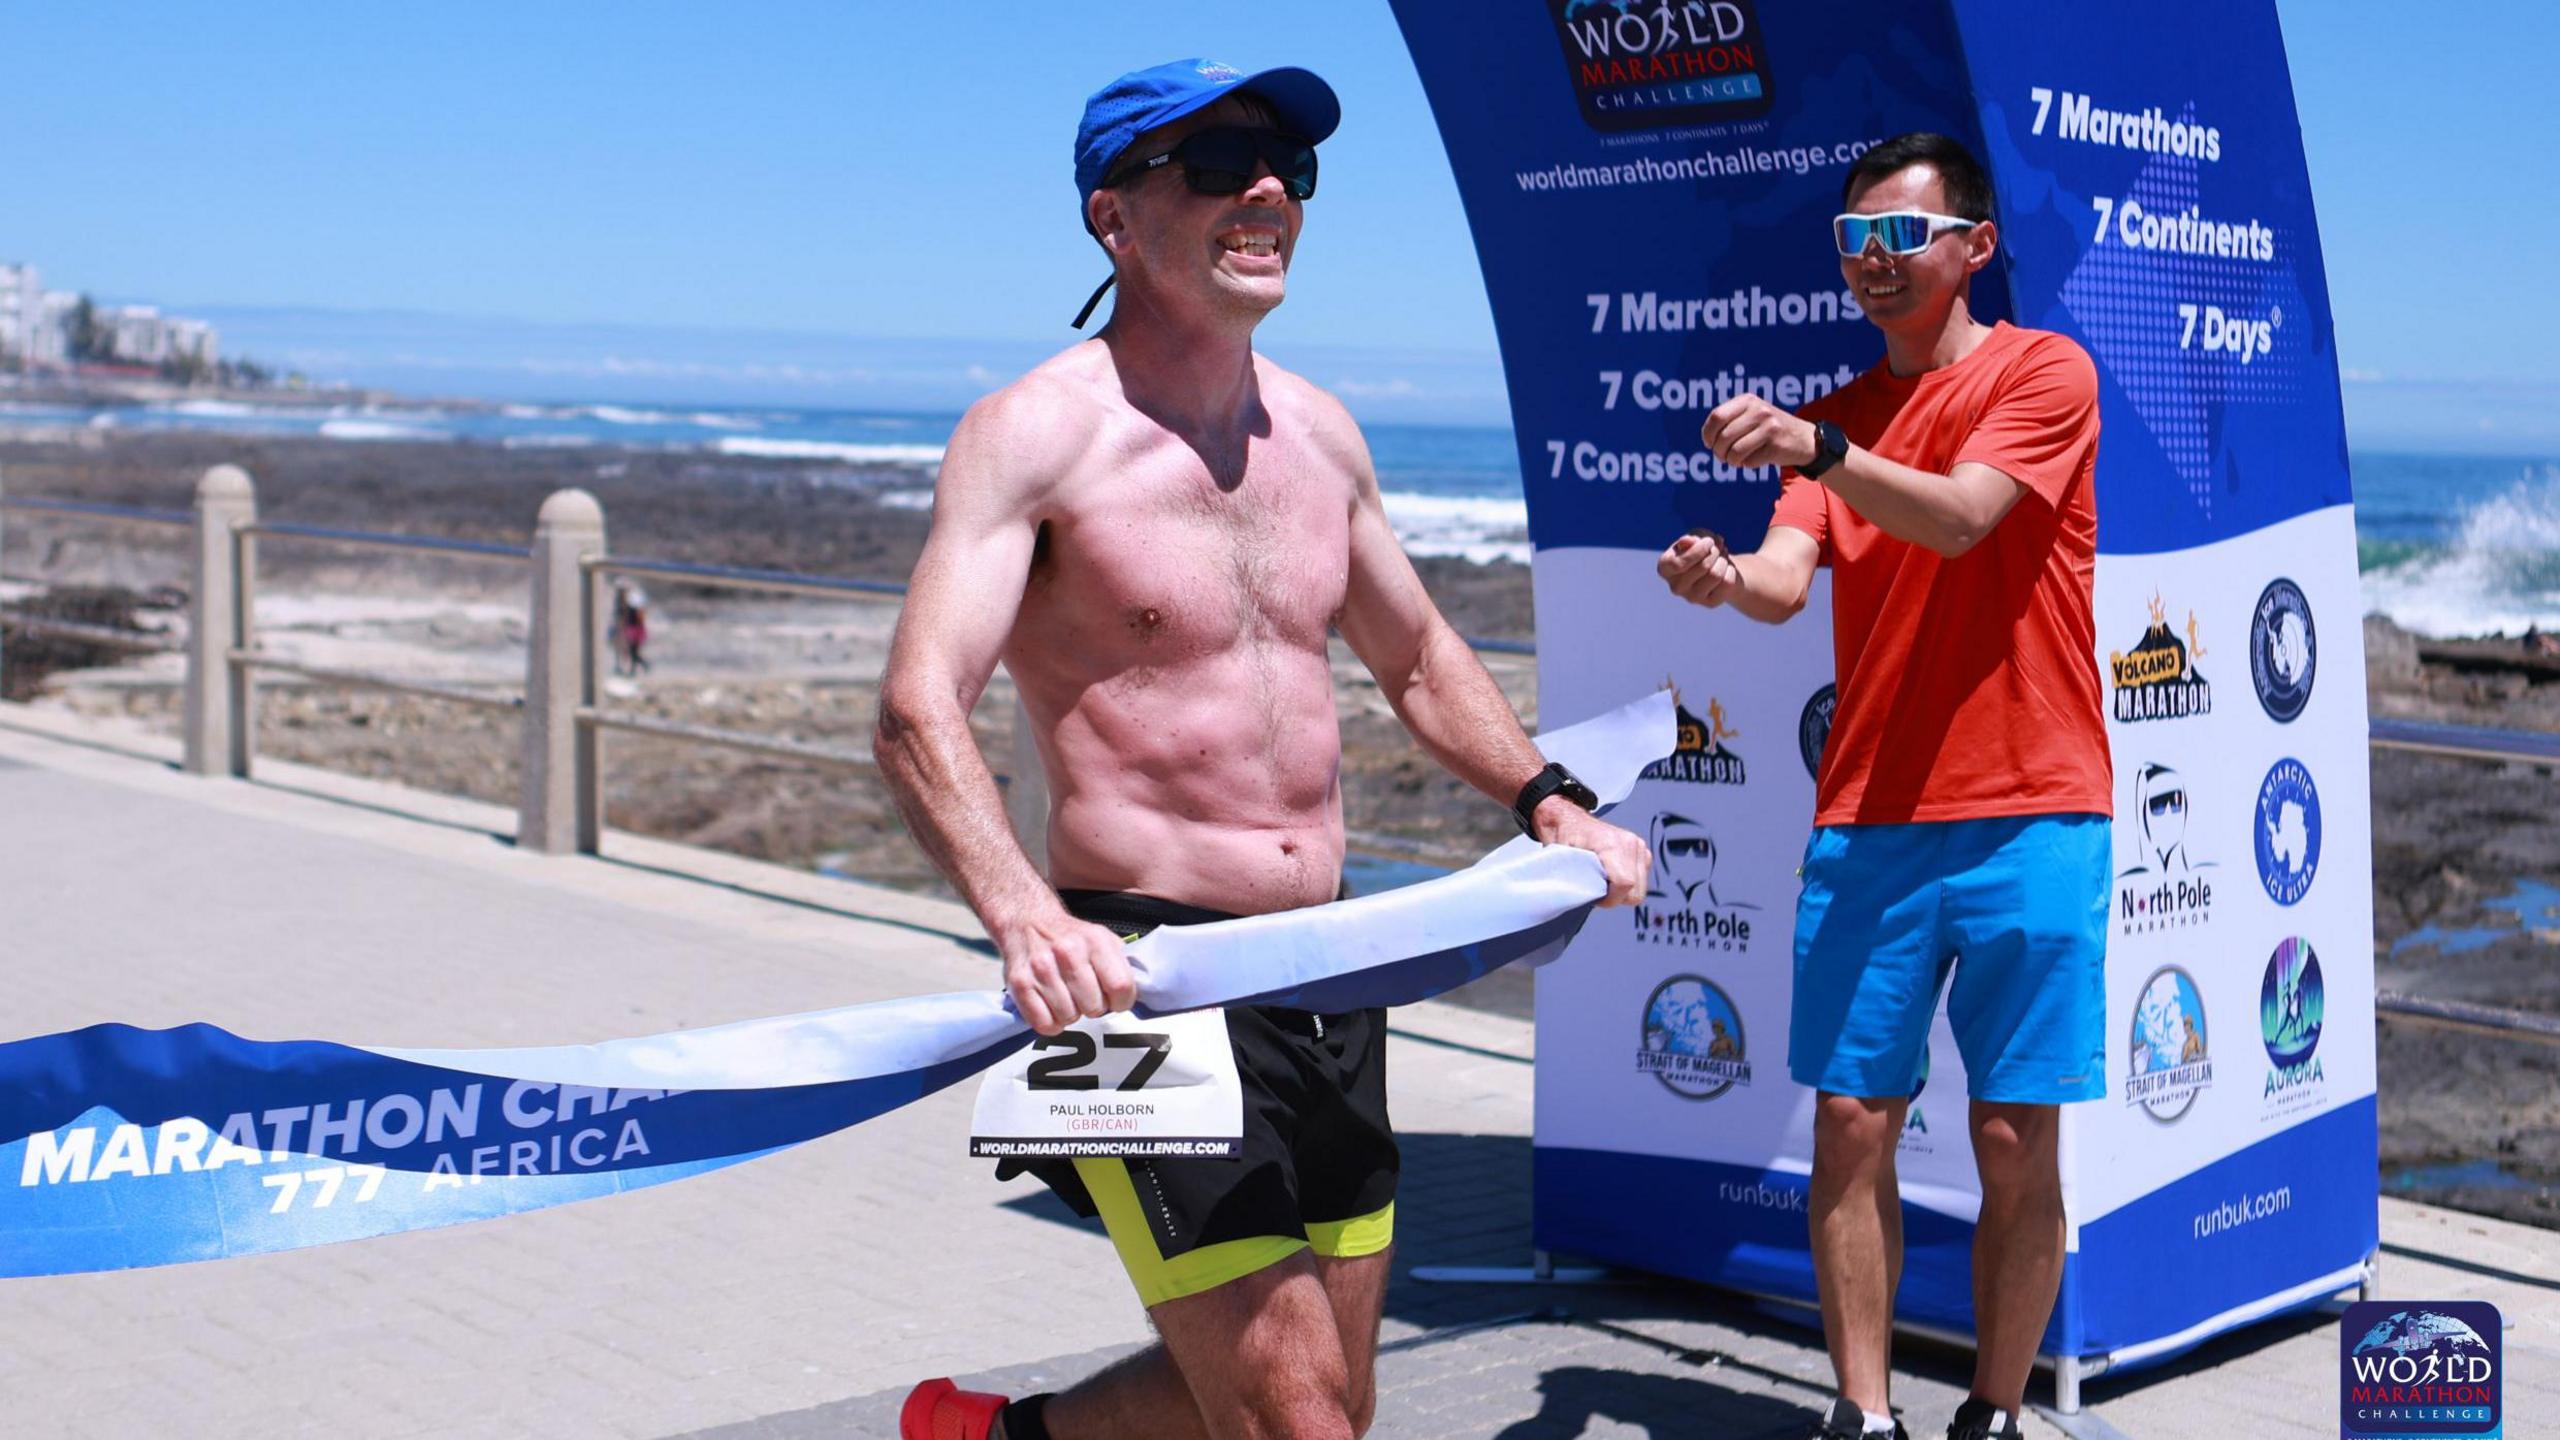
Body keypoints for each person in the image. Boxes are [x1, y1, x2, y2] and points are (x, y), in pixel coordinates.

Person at [879, 59, 1650, 1440]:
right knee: (1296, 1409)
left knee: (1322, 1395)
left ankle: (1002, 1439)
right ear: (1114, 220)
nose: (1268, 187)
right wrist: (1023, 919)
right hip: (1140, 985)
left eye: (1289, 161)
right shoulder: (1037, 435)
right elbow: (916, 703)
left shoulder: (1322, 435)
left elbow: (1414, 656)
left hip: (1328, 968)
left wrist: (1549, 801)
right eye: (1222, 157)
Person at [1656, 132, 2109, 1440]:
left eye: (1900, 239)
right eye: (1854, 242)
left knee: (2018, 1143)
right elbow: (1784, 579)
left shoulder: (2045, 370)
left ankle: (1996, 1413)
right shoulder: (1838, 421)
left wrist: (1820, 452)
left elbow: (1964, 514)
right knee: (1852, 1127)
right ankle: (1863, 1414)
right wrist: (1721, 578)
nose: (1874, 264)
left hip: (2035, 812)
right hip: (1871, 822)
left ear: (1973, 247)